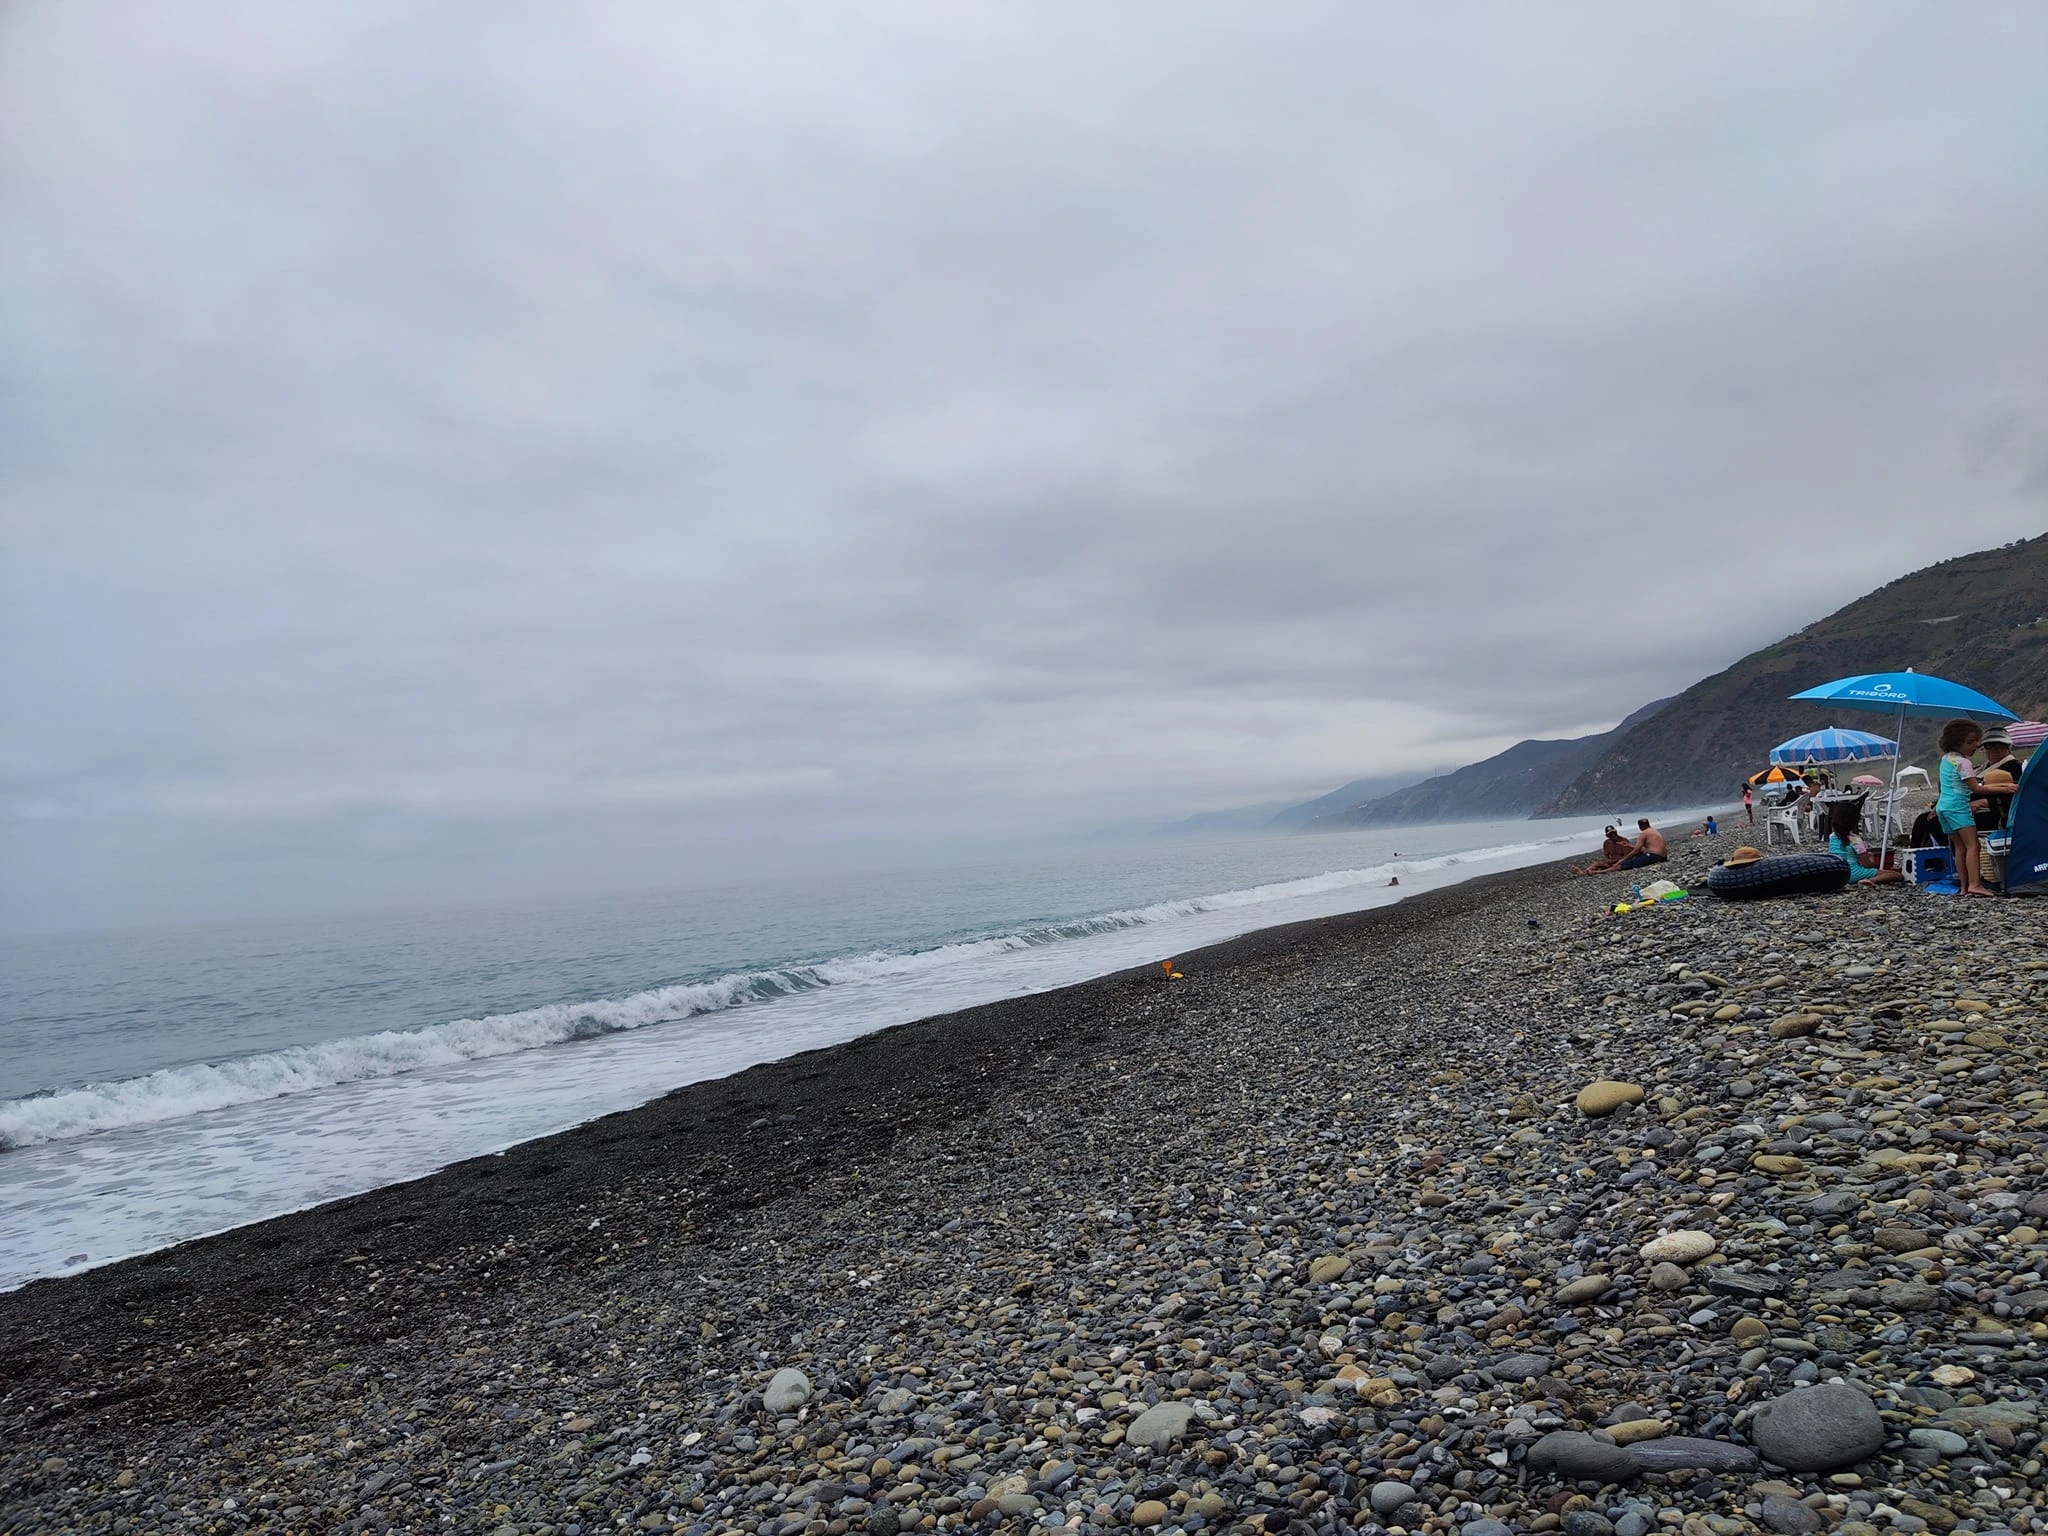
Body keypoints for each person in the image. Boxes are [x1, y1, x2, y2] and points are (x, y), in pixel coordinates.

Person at [1936, 718, 1997, 897]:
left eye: (1977, 741)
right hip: (1958, 807)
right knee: (1973, 846)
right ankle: (1975, 884)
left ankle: (1964, 888)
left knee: (1960, 848)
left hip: (1943, 808)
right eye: (1970, 742)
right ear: (1956, 743)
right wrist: (2005, 788)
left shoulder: (1946, 759)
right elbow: (1976, 788)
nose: (1976, 746)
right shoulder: (1964, 763)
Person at [1827, 799, 1903, 886]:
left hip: (1837, 873)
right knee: (1896, 875)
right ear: (1855, 821)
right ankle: (1870, 880)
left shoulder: (1832, 837)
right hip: (1853, 873)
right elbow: (1867, 865)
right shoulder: (1855, 840)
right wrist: (1871, 859)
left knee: (1885, 872)